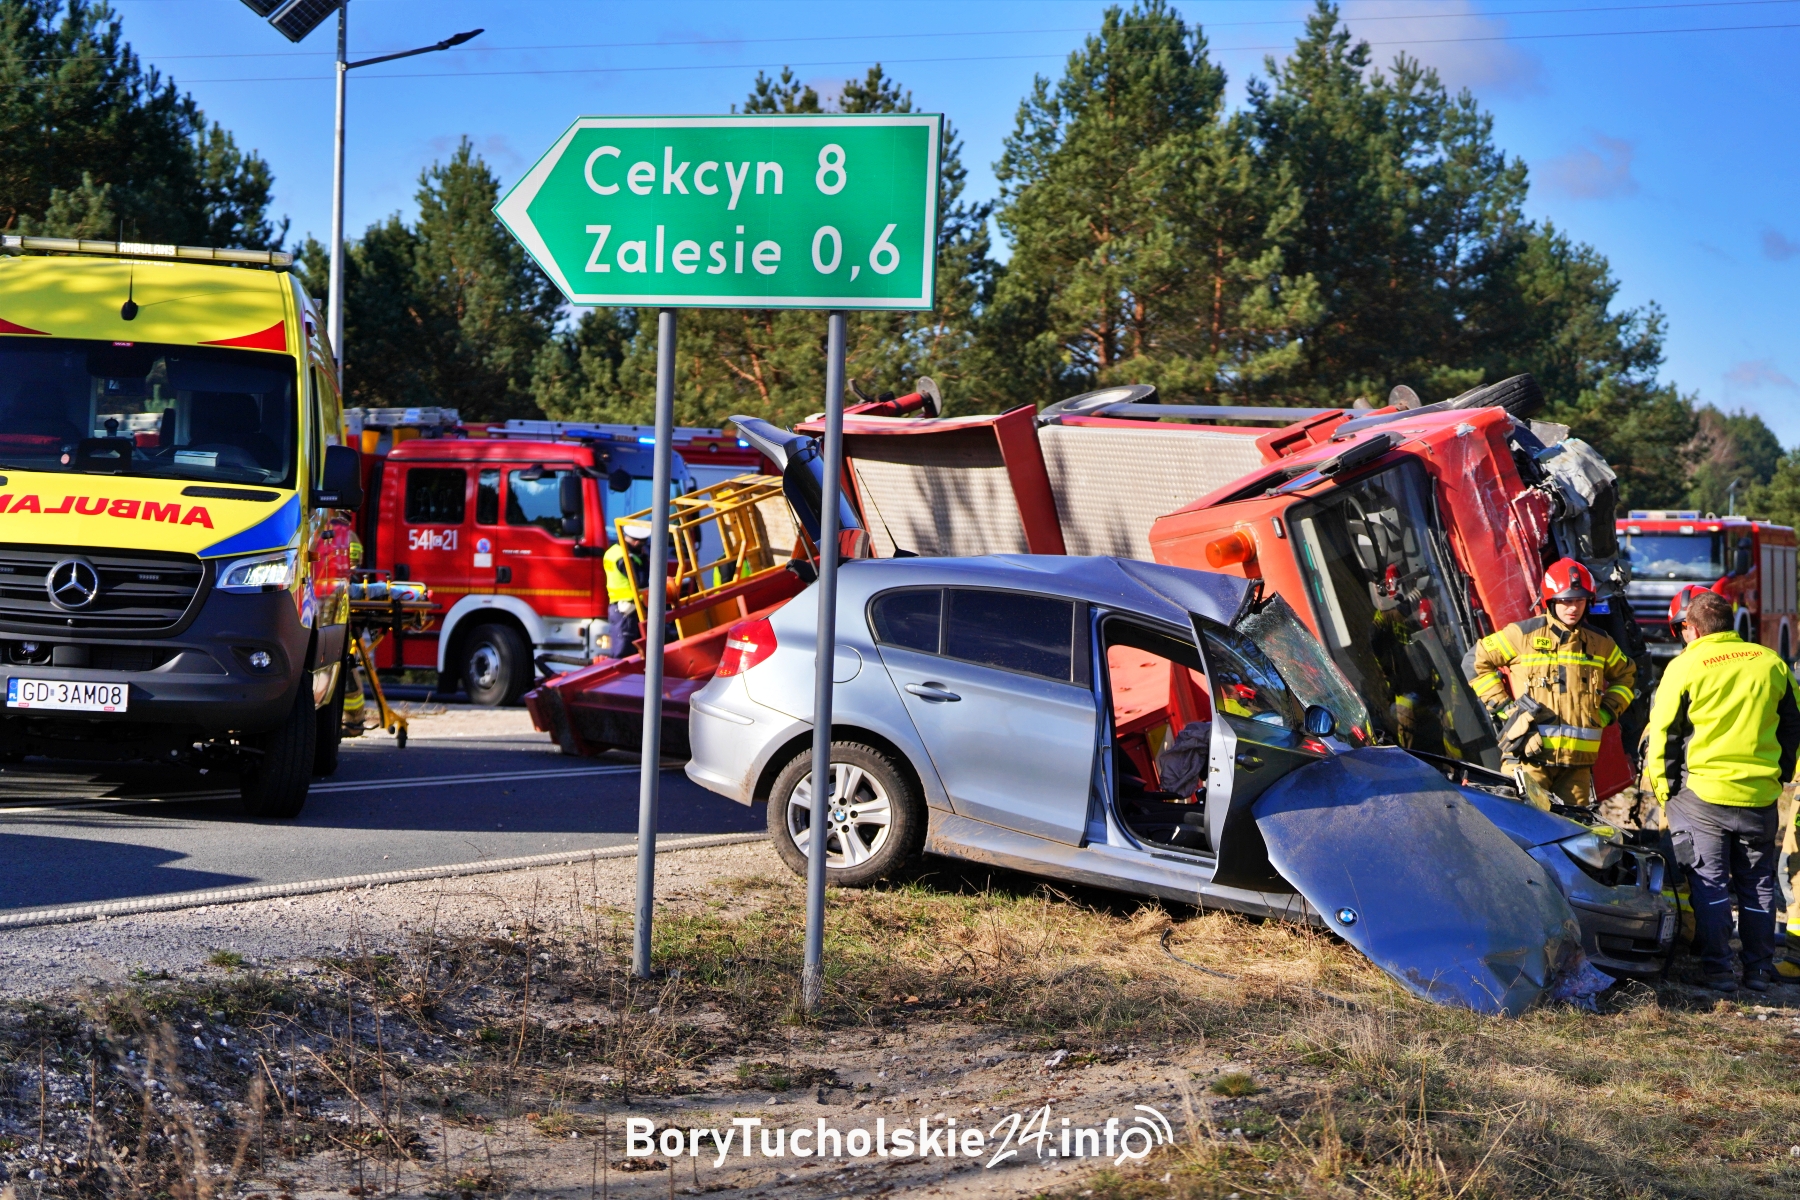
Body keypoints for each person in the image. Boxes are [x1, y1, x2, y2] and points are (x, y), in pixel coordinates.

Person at [1644, 588, 1800, 993]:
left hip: (1702, 796)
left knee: (1710, 883)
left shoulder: (1685, 666)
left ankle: (1717, 972)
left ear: (1691, 629)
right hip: (1760, 797)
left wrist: (1666, 792)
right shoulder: (1771, 663)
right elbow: (1792, 724)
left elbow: (1663, 735)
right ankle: (1759, 971)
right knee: (1758, 884)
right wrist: (1779, 775)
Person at [1470, 558, 1636, 810]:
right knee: (1524, 830)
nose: (1573, 608)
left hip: (1576, 768)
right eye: (1566, 601)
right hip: (1528, 759)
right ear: (1551, 601)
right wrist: (1507, 710)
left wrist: (1605, 712)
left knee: (1572, 835)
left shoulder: (1601, 644)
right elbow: (1475, 660)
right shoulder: (1523, 635)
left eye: (1579, 600)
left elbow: (1626, 675)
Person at [601, 521, 651, 658]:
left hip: (619, 606)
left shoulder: (613, 552)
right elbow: (641, 581)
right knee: (624, 649)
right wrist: (644, 560)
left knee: (621, 644)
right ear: (636, 542)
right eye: (643, 543)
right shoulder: (628, 559)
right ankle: (622, 677)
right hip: (628, 607)